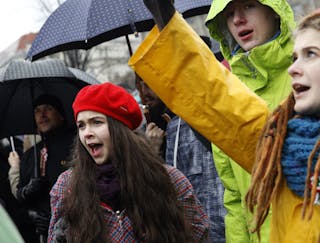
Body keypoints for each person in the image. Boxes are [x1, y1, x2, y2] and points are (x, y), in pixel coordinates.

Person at [129, 0, 320, 242]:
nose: (294, 68)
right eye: (229, 14)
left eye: (310, 54)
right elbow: (211, 93)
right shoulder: (281, 140)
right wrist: (164, 15)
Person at [48, 82, 209, 242]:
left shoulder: (170, 180)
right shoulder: (66, 187)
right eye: (81, 126)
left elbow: (198, 236)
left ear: (121, 129)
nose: (87, 133)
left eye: (97, 122)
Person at [8, 94, 75, 243]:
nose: (42, 115)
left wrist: (59, 222)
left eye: (48, 109)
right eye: (37, 111)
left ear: (61, 115)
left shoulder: (76, 146)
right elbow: (19, 200)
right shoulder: (30, 154)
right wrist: (32, 213)